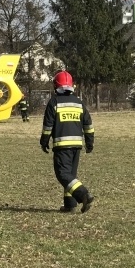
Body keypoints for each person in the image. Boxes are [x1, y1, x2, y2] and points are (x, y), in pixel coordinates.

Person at [39, 70, 95, 213]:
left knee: (63, 174)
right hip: (77, 145)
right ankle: (70, 205)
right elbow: (88, 124)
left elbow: (48, 127)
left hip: (61, 146)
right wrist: (89, 143)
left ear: (55, 86)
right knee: (70, 176)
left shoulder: (54, 102)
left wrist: (44, 141)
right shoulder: (79, 103)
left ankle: (83, 194)